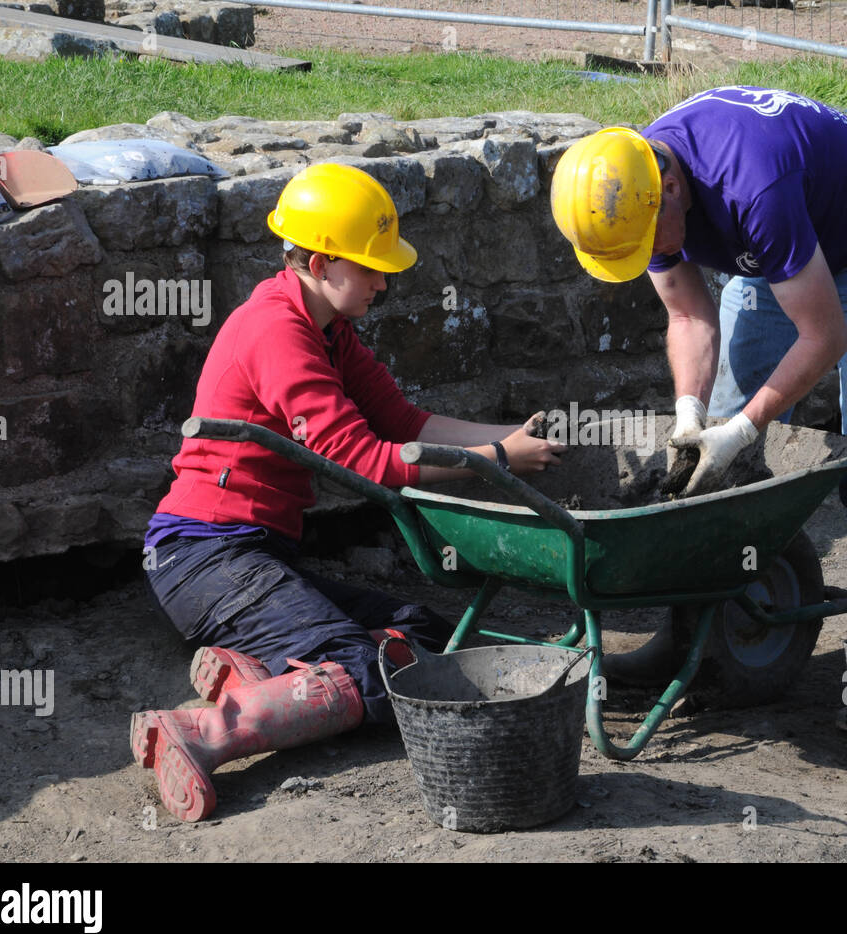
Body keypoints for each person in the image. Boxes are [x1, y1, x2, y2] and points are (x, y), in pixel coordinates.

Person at [132, 163, 564, 822]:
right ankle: (200, 734)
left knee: (419, 634)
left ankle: (253, 674)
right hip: (202, 557)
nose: (382, 282)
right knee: (370, 669)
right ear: (318, 260)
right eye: (369, 268)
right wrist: (497, 460)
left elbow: (403, 423)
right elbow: (364, 460)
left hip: (249, 554)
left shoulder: (327, 328)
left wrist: (511, 436)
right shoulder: (278, 331)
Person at [550, 86, 847, 680]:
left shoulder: (752, 186)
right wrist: (688, 411)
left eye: (645, 244)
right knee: (713, 454)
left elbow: (824, 337)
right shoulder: (633, 188)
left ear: (672, 191)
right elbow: (687, 315)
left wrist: (748, 426)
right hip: (773, 250)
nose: (645, 256)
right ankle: (696, 636)